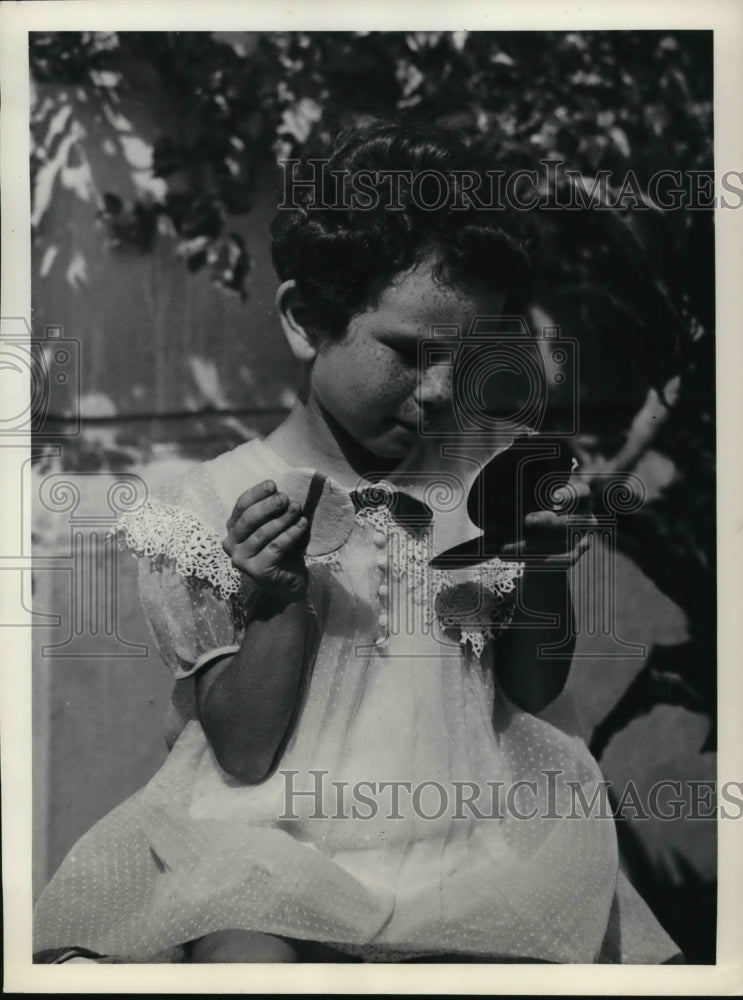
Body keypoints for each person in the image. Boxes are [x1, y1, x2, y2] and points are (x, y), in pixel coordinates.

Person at [33, 120, 682, 964]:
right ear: (307, 319)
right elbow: (243, 749)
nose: (441, 391)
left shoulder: (497, 473)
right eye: (409, 354)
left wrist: (544, 569)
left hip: (469, 833)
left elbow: (528, 687)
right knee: (244, 960)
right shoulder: (216, 506)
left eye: (468, 356)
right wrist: (275, 601)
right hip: (269, 842)